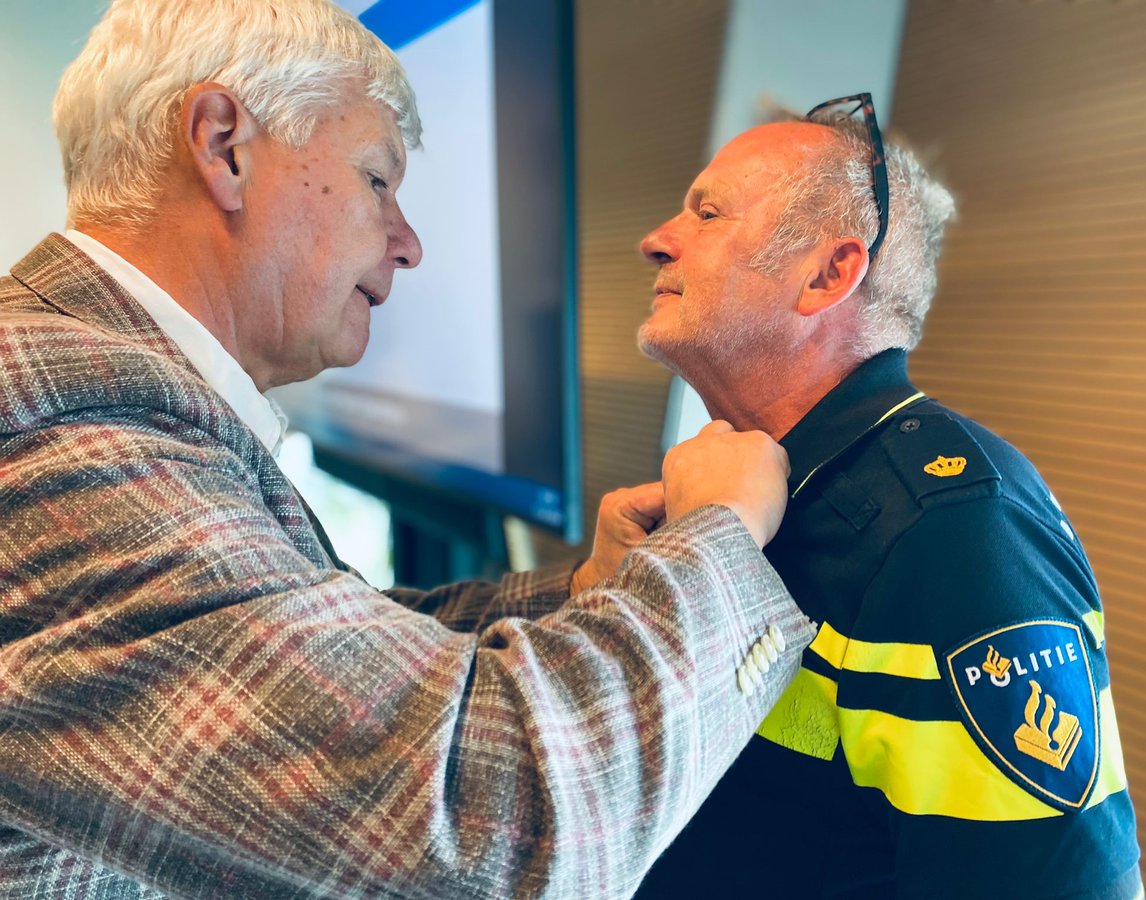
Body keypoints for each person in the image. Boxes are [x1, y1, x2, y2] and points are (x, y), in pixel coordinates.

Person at [0, 2, 817, 896]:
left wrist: (583, 596)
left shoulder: (92, 392)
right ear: (224, 145)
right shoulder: (61, 427)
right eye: (378, 181)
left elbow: (301, 658)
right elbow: (492, 838)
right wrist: (721, 538)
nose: (410, 243)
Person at [632, 95, 1141, 898]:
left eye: (706, 212)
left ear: (829, 273)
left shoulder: (953, 530)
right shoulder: (724, 495)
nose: (655, 241)